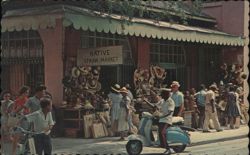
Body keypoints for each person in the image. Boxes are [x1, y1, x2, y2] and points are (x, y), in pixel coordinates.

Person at [155, 88, 175, 154]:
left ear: (167, 94)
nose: (162, 96)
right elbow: (155, 106)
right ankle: (163, 146)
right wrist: (146, 101)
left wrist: (161, 116)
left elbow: (169, 112)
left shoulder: (170, 101)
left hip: (167, 120)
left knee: (162, 132)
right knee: (159, 133)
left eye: (163, 94)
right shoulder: (162, 101)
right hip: (161, 119)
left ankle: (169, 148)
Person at [1, 91, 14, 155]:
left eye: (8, 96)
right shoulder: (1, 103)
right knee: (2, 134)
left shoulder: (12, 103)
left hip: (9, 119)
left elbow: (12, 111)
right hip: (2, 119)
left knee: (9, 134)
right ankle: (2, 150)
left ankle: (14, 147)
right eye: (6, 96)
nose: (7, 97)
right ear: (3, 97)